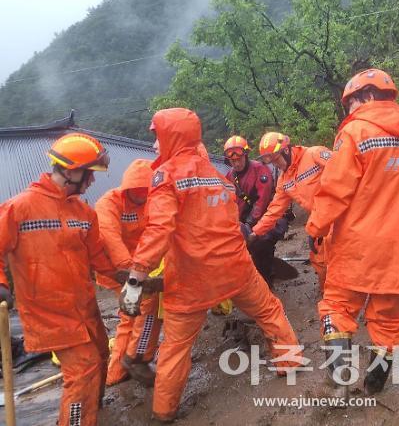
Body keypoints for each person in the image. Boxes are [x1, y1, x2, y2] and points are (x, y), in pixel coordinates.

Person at [121, 108, 301, 422]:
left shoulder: (166, 177)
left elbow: (159, 230)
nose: (153, 146)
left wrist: (136, 278)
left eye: (156, 137)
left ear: (171, 136)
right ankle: (292, 364)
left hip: (191, 279)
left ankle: (164, 411)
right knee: (270, 311)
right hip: (236, 269)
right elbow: (233, 220)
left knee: (176, 347)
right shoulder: (219, 178)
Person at [305, 68, 399, 396]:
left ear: (366, 96)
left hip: (357, 244)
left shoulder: (355, 132)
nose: (350, 109)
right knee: (388, 318)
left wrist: (316, 227)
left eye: (351, 101)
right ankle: (375, 383)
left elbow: (334, 188)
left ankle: (339, 373)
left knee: (337, 305)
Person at [0, 133, 123, 426]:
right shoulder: (19, 208)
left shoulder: (83, 212)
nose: (92, 181)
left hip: (84, 306)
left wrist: (129, 285)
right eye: (90, 173)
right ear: (70, 170)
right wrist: (1, 284)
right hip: (49, 311)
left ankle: (91, 409)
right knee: (83, 370)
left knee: (101, 356)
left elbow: (101, 261)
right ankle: (77, 420)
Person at [95, 158, 162, 387]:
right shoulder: (109, 204)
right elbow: (109, 237)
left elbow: (160, 233)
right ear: (127, 187)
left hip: (140, 269)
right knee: (145, 306)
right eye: (138, 190)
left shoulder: (153, 201)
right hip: (117, 271)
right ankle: (136, 357)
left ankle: (116, 373)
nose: (142, 195)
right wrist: (132, 275)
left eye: (146, 190)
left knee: (129, 317)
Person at [248, 132, 332, 291]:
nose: (276, 165)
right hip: (319, 223)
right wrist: (255, 233)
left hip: (340, 217)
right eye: (271, 163)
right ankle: (331, 300)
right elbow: (274, 211)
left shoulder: (314, 154)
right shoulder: (284, 180)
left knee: (346, 259)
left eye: (276, 160)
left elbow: (345, 172)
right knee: (320, 261)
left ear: (286, 151)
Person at [223, 135, 289, 285]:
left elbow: (262, 201)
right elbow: (228, 202)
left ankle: (266, 280)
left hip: (270, 219)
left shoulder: (260, 170)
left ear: (245, 155)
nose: (236, 163)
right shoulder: (229, 176)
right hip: (245, 221)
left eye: (239, 159)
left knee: (260, 243)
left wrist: (248, 226)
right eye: (233, 161)